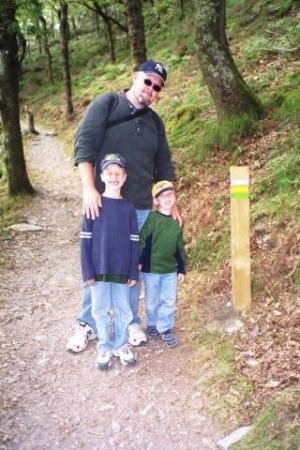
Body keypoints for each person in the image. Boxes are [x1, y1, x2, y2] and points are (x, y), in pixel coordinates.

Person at [67, 59, 181, 353]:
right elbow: (84, 147)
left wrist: (171, 202)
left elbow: (164, 168)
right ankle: (87, 324)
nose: (151, 89)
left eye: (157, 87)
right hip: (105, 204)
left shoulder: (155, 123)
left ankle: (129, 321)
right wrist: (89, 189)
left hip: (141, 207)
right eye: (148, 82)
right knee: (100, 262)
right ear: (135, 78)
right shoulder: (107, 103)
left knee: (134, 266)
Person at [81, 153, 139, 369]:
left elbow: (135, 242)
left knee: (124, 309)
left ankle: (121, 344)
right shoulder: (93, 204)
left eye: (118, 173)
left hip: (122, 270)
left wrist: (133, 271)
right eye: (110, 173)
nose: (114, 177)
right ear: (102, 176)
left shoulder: (128, 209)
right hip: (99, 271)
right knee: (100, 310)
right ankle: (105, 346)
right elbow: (85, 242)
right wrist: (87, 271)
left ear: (124, 178)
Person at [139, 181, 186, 348]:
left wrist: (181, 268)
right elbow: (143, 239)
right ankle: (152, 324)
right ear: (156, 201)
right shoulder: (152, 218)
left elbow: (179, 247)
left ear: (175, 198)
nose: (167, 198)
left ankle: (165, 327)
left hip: (170, 270)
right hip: (151, 269)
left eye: (170, 195)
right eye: (163, 196)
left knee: (169, 299)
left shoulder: (176, 222)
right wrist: (139, 261)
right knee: (152, 300)